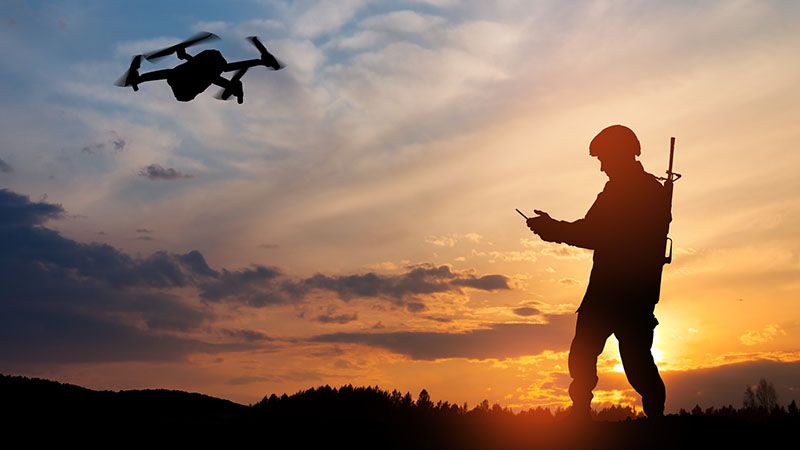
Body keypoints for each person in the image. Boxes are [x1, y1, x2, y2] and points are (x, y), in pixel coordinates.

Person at [527, 124, 668, 419]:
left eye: (604, 158)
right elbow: (594, 230)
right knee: (587, 355)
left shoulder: (638, 191)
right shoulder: (628, 189)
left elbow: (594, 233)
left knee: (635, 364)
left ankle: (653, 420)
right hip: (614, 293)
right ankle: (583, 415)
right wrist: (554, 228)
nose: (602, 167)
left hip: (624, 294)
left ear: (621, 154)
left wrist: (553, 229)